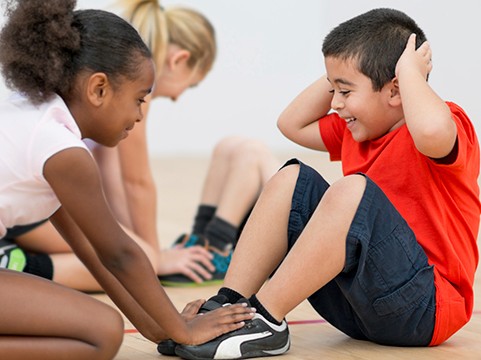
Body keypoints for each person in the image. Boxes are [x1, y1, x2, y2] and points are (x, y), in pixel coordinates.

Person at [169, 8, 481, 359]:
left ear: (396, 90)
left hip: (424, 308)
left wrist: (409, 73)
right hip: (357, 307)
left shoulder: (446, 124)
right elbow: (291, 123)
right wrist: (343, 71)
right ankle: (228, 306)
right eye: (333, 89)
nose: (335, 104)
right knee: (292, 178)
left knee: (350, 189)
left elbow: (431, 131)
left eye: (345, 91)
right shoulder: (356, 132)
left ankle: (266, 320)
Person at [0, 1, 255, 359]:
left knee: (104, 329)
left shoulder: (39, 119)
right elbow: (118, 254)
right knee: (102, 335)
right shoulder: (63, 152)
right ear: (98, 89)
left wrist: (160, 329)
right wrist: (183, 329)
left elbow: (92, 253)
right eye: (138, 99)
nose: (138, 116)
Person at [159, 135, 281, 286]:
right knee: (226, 146)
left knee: (251, 153)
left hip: (303, 240)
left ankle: (217, 245)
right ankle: (202, 239)